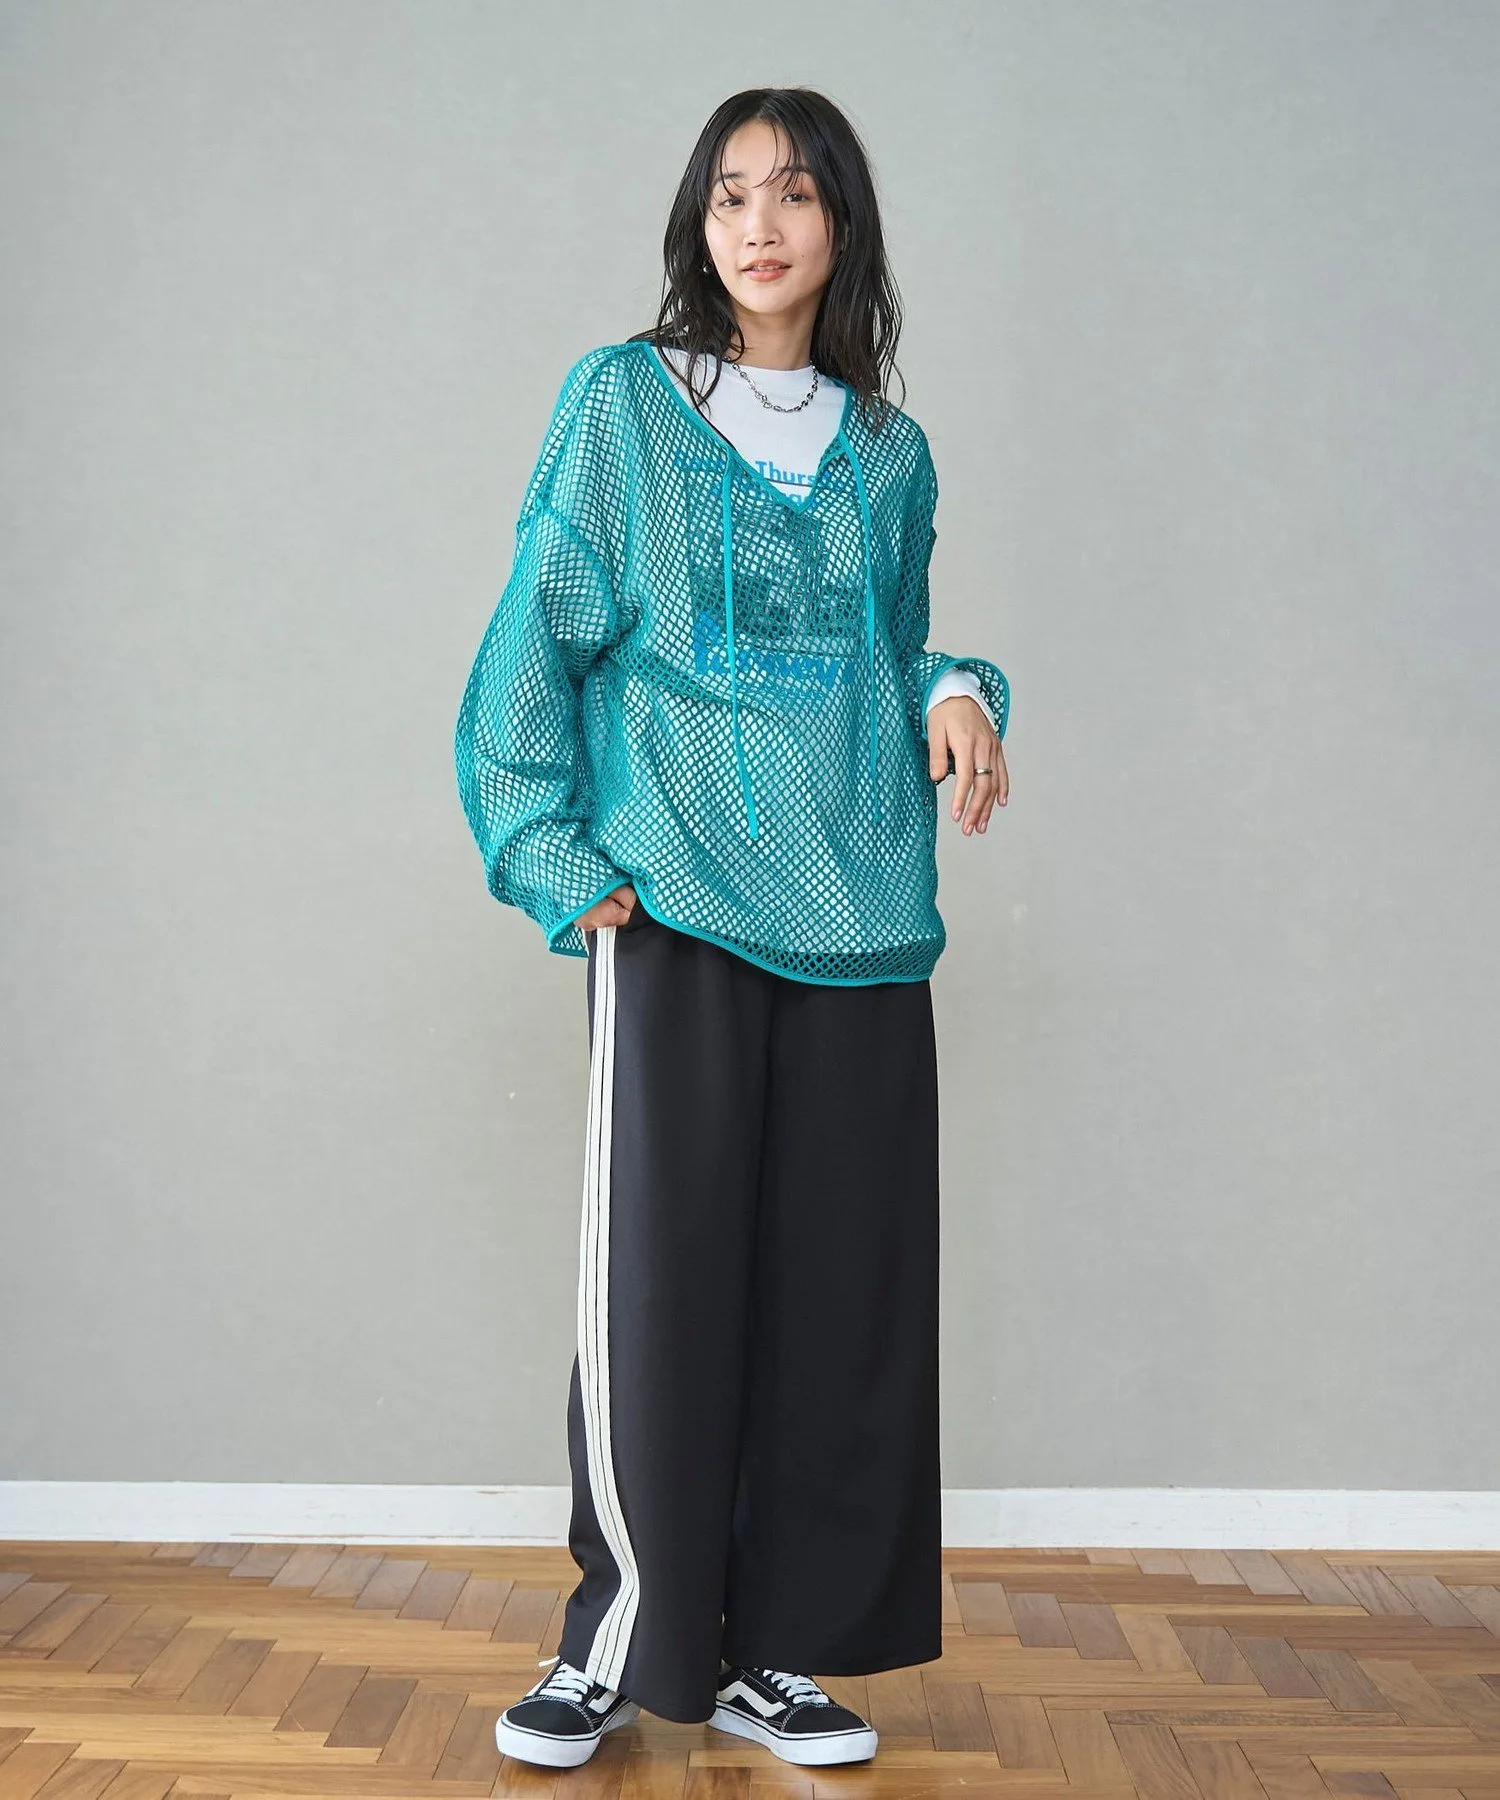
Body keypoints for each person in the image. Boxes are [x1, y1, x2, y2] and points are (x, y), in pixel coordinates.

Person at [454, 86, 1011, 1773]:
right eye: (730, 195)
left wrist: (964, 689)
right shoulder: (625, 404)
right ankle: (616, 1641)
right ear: (699, 228)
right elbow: (534, 636)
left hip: (863, 920)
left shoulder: (892, 453)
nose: (760, 224)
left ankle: (781, 1648)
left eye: (795, 193)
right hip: (679, 902)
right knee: (665, 1292)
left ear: (843, 223)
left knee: (839, 1301)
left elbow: (885, 652)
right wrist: (549, 852)